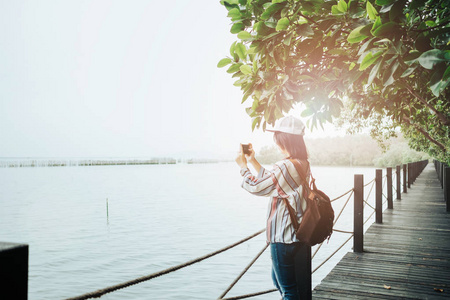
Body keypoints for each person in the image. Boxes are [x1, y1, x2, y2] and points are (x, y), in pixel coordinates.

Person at [235, 116, 310, 300]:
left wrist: (243, 168)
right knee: (280, 282)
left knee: (289, 291)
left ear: (284, 139)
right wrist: (253, 161)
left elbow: (258, 187)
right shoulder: (302, 163)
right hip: (298, 233)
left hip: (282, 236)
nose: (275, 141)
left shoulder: (285, 165)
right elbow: (275, 180)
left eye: (277, 136)